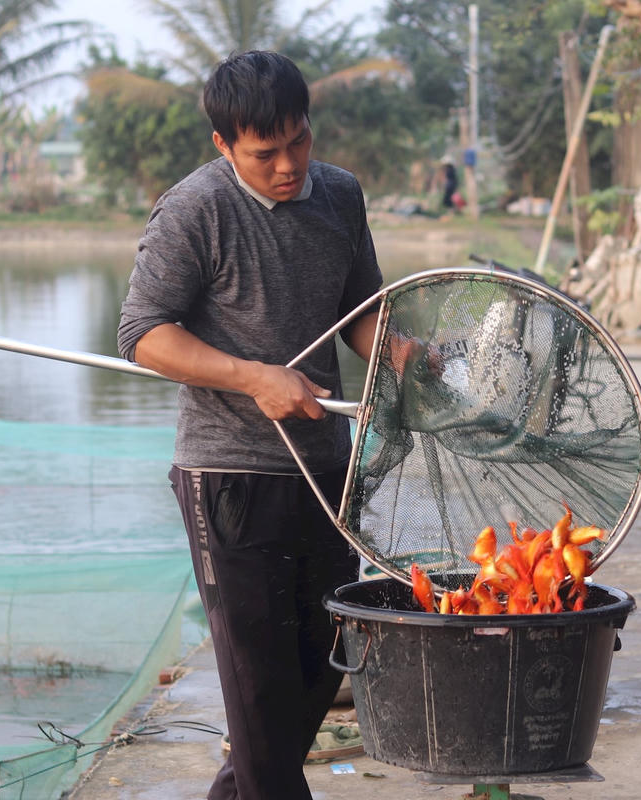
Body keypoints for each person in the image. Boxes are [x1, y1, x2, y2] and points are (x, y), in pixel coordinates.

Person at [116, 51, 383, 800]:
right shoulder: (195, 209)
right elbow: (141, 333)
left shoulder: (340, 195)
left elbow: (359, 309)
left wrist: (398, 352)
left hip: (327, 468)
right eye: (265, 154)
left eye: (299, 141)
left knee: (322, 660)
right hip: (229, 475)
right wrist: (253, 375)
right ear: (224, 146)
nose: (289, 165)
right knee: (259, 689)